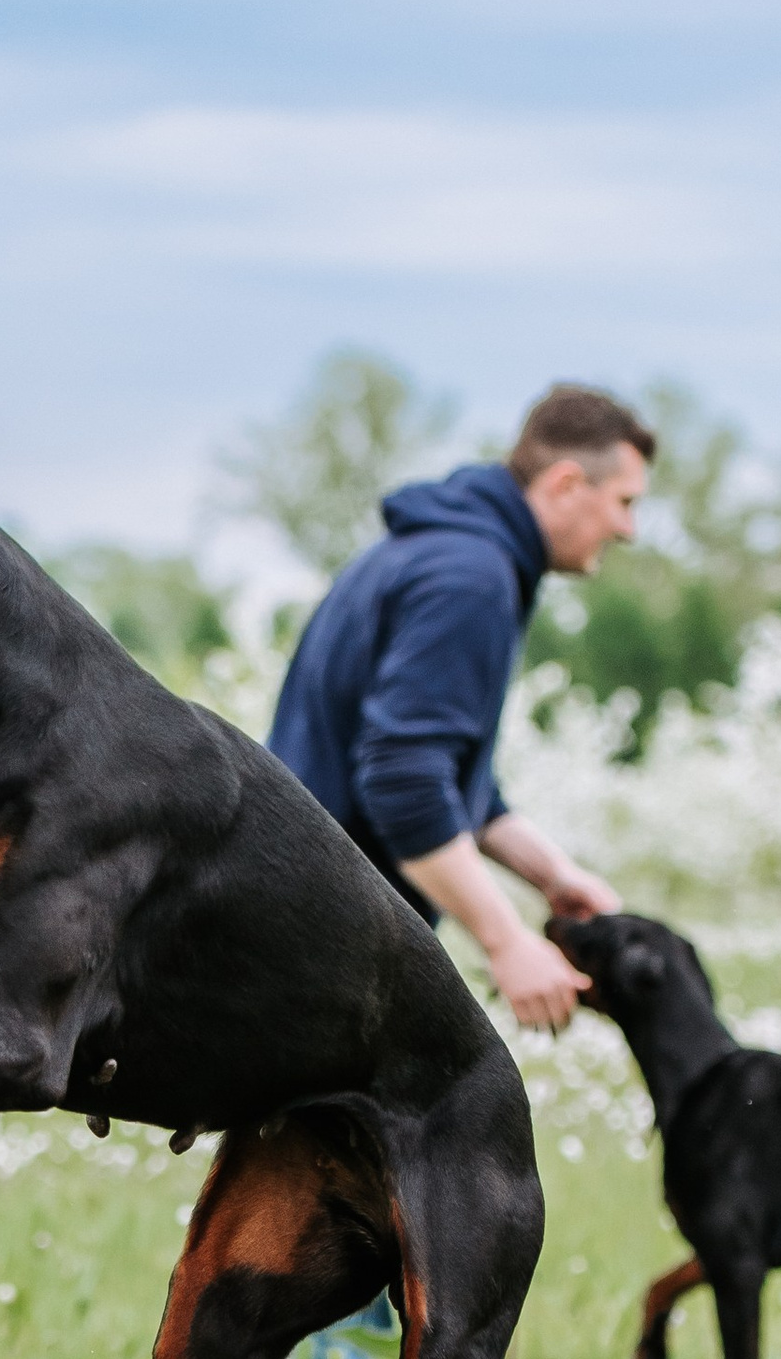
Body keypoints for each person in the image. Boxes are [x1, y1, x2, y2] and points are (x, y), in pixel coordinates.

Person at [268, 380, 653, 1034]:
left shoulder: (438, 551)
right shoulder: (469, 576)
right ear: (565, 484)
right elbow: (403, 780)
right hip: (323, 936)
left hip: (302, 911)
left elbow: (448, 777)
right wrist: (507, 943)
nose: (628, 528)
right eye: (623, 501)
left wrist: (552, 874)